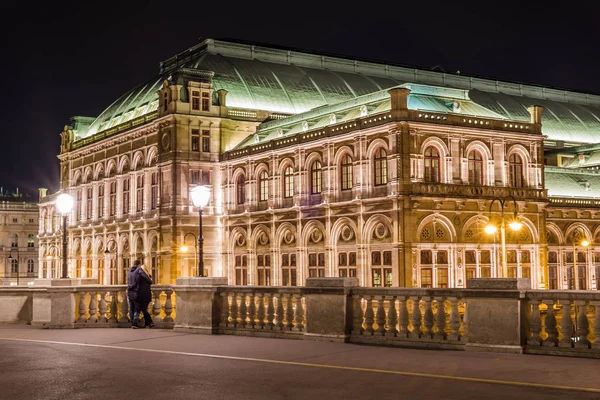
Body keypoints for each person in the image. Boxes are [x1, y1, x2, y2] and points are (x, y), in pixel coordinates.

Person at [132, 262, 154, 329]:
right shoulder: (148, 277)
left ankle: (149, 322)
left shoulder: (139, 276)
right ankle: (146, 323)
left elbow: (135, 284)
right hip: (147, 295)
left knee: (141, 309)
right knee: (140, 309)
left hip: (140, 295)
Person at [126, 260, 141, 328]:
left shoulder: (129, 271)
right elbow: (137, 282)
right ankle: (135, 322)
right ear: (139, 264)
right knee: (137, 307)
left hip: (129, 291)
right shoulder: (138, 271)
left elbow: (128, 280)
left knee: (131, 307)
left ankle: (132, 322)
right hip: (135, 291)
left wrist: (129, 288)